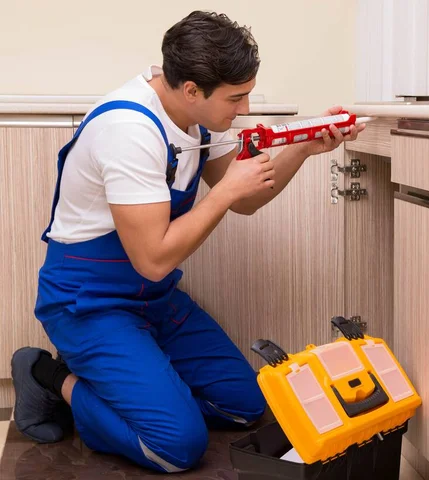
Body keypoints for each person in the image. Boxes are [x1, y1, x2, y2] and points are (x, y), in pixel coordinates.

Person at [10, 9, 364, 473]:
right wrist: (227, 193)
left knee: (246, 407)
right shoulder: (129, 130)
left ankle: (141, 385)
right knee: (175, 447)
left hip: (154, 302)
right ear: (192, 89)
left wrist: (305, 147)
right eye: (237, 99)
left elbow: (247, 200)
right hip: (89, 303)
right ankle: (51, 376)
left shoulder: (199, 118)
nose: (246, 111)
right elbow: (155, 258)